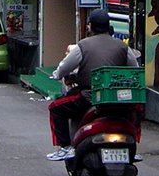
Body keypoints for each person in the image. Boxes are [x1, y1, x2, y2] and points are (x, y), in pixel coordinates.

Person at [46, 9, 139, 160]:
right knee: (136, 109)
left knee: (55, 108)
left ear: (90, 26)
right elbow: (134, 70)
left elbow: (64, 67)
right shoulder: (123, 47)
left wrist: (56, 75)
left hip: (90, 97)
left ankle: (65, 147)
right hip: (118, 98)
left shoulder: (83, 46)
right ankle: (134, 143)